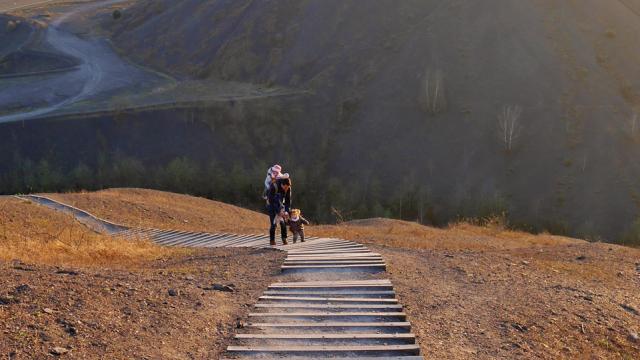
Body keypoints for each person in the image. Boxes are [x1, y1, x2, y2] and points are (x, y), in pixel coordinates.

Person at [267, 173, 291, 245]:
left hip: (281, 206)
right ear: (282, 185)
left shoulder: (288, 188)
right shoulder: (274, 186)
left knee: (283, 223)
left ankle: (284, 238)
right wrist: (278, 212)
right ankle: (272, 240)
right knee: (273, 224)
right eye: (285, 187)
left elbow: (288, 201)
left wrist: (286, 212)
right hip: (271, 205)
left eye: (288, 187)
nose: (286, 189)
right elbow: (271, 201)